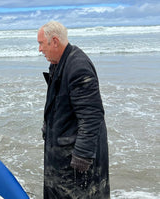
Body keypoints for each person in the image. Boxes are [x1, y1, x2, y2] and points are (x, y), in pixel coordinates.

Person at [38, 21, 110, 198]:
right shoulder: (58, 62)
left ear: (54, 41)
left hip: (75, 158)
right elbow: (59, 103)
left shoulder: (78, 66)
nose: (40, 49)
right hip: (61, 149)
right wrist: (48, 126)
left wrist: (83, 156)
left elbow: (92, 115)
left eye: (41, 43)